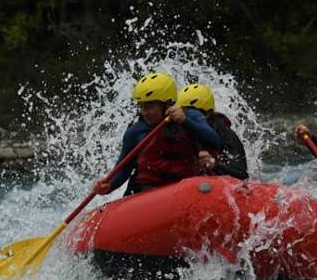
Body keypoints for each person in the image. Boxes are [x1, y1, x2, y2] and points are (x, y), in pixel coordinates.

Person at [93, 72, 221, 195]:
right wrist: (108, 186)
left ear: (167, 104)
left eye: (149, 106)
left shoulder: (190, 117)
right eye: (141, 106)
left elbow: (214, 141)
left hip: (185, 188)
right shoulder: (136, 131)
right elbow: (124, 169)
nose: (144, 112)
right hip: (147, 194)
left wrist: (185, 121)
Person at [177, 83, 249, 179]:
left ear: (208, 113)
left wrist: (214, 165)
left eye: (193, 112)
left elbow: (242, 175)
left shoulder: (225, 134)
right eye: (184, 112)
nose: (189, 116)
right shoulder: (178, 130)